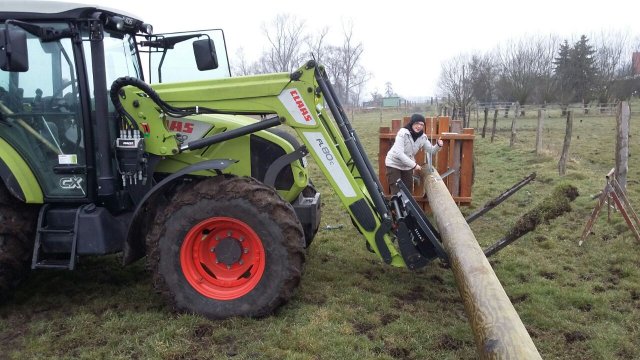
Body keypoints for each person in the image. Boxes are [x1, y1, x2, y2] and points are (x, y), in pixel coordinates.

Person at [385, 113, 443, 194]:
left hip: (407, 166)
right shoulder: (403, 133)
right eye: (417, 123)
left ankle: (407, 207)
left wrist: (438, 145)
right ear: (412, 123)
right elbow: (399, 154)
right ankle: (397, 206)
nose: (419, 126)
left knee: (408, 191)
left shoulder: (423, 137)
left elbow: (431, 151)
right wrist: (414, 165)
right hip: (394, 164)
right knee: (397, 192)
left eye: (421, 124)